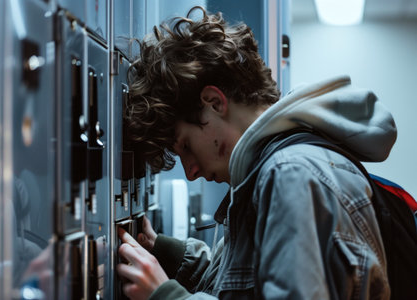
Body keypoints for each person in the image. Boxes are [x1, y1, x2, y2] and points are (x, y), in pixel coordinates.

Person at [117, 6, 394, 300]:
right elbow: (250, 285)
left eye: (186, 146)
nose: (190, 171)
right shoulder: (272, 169)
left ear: (214, 102)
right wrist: (164, 252)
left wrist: (167, 296)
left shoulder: (291, 175)